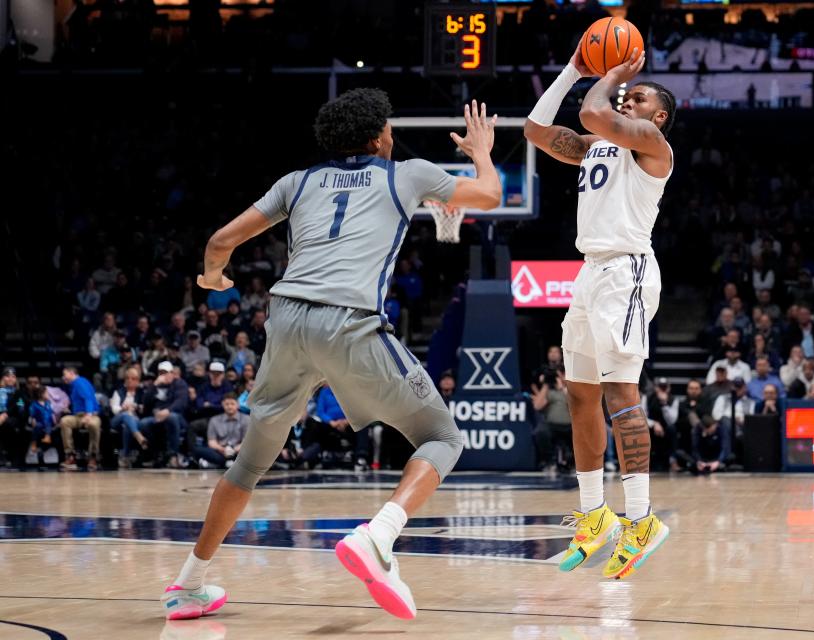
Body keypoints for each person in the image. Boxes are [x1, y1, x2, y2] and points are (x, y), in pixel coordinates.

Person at [160, 90, 500, 620]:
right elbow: (489, 195)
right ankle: (379, 536)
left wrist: (212, 277)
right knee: (442, 437)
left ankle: (189, 584)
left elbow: (221, 240)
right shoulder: (406, 173)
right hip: (348, 322)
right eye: (387, 127)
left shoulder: (296, 182)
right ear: (375, 138)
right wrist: (481, 150)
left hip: (286, 320)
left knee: (249, 465)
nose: (393, 134)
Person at [524, 41, 675, 578]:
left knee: (619, 393)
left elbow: (593, 110)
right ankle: (596, 516)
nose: (626, 101)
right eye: (625, 96)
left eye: (637, 98)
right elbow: (537, 132)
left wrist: (608, 74)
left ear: (657, 115)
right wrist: (570, 68)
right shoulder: (596, 147)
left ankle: (641, 519)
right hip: (590, 273)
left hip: (627, 273)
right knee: (580, 394)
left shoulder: (651, 143)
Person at [59, 367, 102, 471]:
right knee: (64, 421)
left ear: (72, 373)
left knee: (93, 424)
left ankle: (93, 456)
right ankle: (70, 455)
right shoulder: (73, 385)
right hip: (78, 416)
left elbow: (87, 398)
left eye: (65, 374)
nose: (63, 377)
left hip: (91, 414)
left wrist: (88, 414)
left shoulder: (80, 382)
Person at [531, 367, 573, 470]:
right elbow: (537, 406)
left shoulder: (570, 390)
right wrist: (545, 385)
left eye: (559, 376)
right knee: (540, 432)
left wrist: (562, 388)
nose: (557, 378)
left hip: (570, 426)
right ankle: (550, 461)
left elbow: (574, 405)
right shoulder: (549, 391)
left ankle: (572, 462)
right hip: (552, 425)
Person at [195, 394, 249, 469]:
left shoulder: (246, 419)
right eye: (227, 404)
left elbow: (246, 441)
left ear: (238, 405)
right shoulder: (214, 420)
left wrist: (234, 450)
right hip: (220, 451)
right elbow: (211, 441)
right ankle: (228, 463)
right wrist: (222, 449)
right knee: (198, 449)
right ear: (223, 405)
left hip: (239, 450)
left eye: (232, 404)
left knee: (251, 451)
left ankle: (217, 464)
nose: (229, 407)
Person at [110, 367, 148, 467]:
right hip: (118, 420)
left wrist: (137, 407)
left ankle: (125, 456)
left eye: (133, 378)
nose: (129, 380)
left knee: (128, 425)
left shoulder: (141, 393)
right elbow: (114, 409)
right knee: (126, 416)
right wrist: (123, 408)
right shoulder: (118, 392)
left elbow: (145, 408)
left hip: (134, 422)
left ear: (138, 381)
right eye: (127, 378)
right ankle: (138, 436)